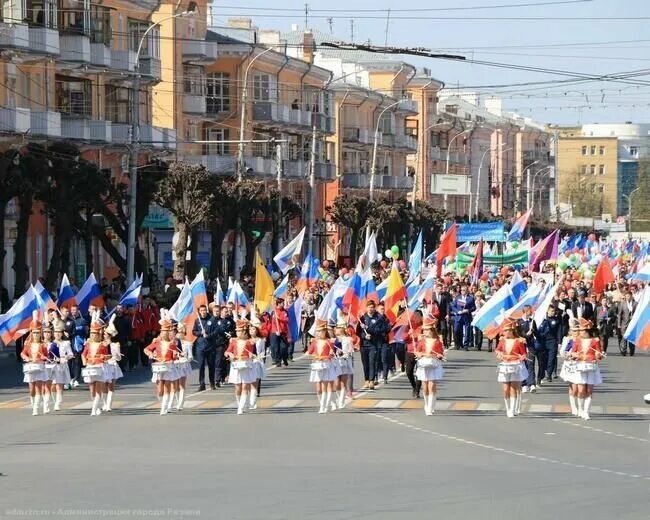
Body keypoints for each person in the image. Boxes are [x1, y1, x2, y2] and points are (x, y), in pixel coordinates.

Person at [144, 310, 180, 415]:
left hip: (168, 367)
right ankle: (162, 402)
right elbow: (146, 349)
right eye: (162, 331)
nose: (164, 333)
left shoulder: (172, 344)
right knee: (160, 389)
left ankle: (164, 407)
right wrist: (150, 354)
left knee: (167, 387)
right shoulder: (157, 342)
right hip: (159, 367)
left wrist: (176, 356)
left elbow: (174, 356)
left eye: (166, 331)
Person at [569, 318, 604, 420]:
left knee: (589, 390)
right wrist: (574, 354)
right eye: (579, 331)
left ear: (587, 331)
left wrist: (598, 355)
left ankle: (586, 411)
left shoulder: (595, 341)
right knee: (580, 390)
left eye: (582, 331)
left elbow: (599, 354)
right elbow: (572, 353)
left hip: (591, 367)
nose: (580, 332)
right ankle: (580, 408)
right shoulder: (577, 341)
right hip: (580, 366)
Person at [495, 318, 528, 418]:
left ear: (511, 330)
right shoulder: (502, 340)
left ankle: (512, 409)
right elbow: (498, 350)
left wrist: (522, 357)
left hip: (515, 365)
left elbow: (523, 353)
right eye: (504, 331)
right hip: (505, 366)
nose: (504, 332)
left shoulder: (519, 341)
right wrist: (499, 354)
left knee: (514, 387)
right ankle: (507, 407)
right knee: (505, 389)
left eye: (506, 330)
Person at [225, 319, 257, 415]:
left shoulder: (250, 342)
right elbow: (226, 351)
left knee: (245, 386)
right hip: (236, 365)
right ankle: (239, 404)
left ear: (244, 331)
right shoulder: (233, 342)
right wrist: (229, 354)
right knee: (237, 387)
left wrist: (251, 355)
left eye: (239, 331)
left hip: (246, 365)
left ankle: (241, 407)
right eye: (236, 331)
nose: (237, 333)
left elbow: (252, 353)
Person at [414, 316, 445, 416]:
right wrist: (420, 354)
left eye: (427, 330)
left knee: (432, 386)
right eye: (424, 330)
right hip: (424, 365)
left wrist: (434, 355)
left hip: (433, 365)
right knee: (424, 386)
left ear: (431, 330)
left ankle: (430, 407)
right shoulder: (421, 341)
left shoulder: (437, 342)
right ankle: (426, 404)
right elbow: (417, 352)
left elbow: (440, 354)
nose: (425, 332)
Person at [81, 311, 109, 417]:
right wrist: (84, 361)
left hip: (99, 367)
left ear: (98, 334)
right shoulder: (88, 344)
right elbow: (83, 354)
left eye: (94, 334)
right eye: (91, 334)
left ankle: (94, 409)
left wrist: (103, 357)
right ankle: (96, 405)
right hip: (90, 367)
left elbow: (107, 356)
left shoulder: (103, 345)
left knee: (98, 388)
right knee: (91, 388)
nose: (92, 336)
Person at [358, 300, 390, 390]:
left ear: (374, 308)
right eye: (369, 307)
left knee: (372, 362)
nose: (371, 309)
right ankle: (366, 380)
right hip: (364, 345)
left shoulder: (379, 318)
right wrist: (364, 335)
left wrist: (370, 331)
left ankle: (372, 380)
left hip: (374, 344)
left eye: (372, 307)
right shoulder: (362, 318)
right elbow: (358, 332)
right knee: (365, 364)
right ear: (366, 308)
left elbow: (382, 330)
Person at [21, 312, 49, 416]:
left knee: (38, 388)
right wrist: (26, 357)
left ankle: (36, 408)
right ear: (31, 333)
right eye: (34, 332)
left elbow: (46, 356)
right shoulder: (28, 344)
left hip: (40, 368)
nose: (36, 334)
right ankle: (33, 403)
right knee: (31, 389)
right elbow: (23, 353)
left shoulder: (43, 345)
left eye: (38, 332)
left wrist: (43, 357)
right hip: (30, 368)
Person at [307, 322, 337, 414]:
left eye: (321, 331)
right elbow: (309, 352)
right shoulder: (314, 342)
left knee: (324, 387)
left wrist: (325, 357)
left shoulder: (329, 342)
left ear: (324, 332)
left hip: (326, 365)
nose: (319, 333)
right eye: (318, 331)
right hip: (317, 365)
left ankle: (323, 406)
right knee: (318, 389)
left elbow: (331, 355)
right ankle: (322, 403)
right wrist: (313, 356)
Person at [192, 304, 219, 391]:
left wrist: (208, 336)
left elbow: (216, 331)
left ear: (206, 310)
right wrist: (200, 332)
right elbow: (194, 332)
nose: (203, 312)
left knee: (211, 366)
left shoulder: (212, 319)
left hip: (210, 346)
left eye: (204, 310)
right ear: (199, 312)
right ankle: (202, 384)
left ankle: (212, 383)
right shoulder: (197, 321)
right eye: (201, 311)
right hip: (200, 347)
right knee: (201, 366)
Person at [50, 318, 73, 411]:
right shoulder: (50, 344)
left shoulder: (66, 343)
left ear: (62, 333)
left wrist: (65, 358)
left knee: (59, 385)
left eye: (59, 332)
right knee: (52, 386)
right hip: (51, 366)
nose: (57, 334)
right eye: (56, 332)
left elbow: (71, 354)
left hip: (62, 366)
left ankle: (58, 403)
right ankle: (55, 400)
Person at [534, 305, 561, 384]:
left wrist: (559, 341)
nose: (553, 313)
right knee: (544, 359)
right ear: (547, 311)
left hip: (552, 341)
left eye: (554, 311)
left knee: (552, 358)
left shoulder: (556, 320)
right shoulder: (543, 319)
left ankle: (549, 373)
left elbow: (559, 331)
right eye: (551, 311)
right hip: (543, 341)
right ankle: (543, 373)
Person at [102, 315, 124, 412]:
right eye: (103, 334)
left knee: (111, 386)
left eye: (105, 334)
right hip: (103, 366)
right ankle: (104, 403)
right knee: (103, 386)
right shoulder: (101, 344)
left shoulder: (115, 345)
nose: (104, 335)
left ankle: (109, 405)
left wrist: (116, 354)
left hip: (112, 366)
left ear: (109, 335)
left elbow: (118, 358)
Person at [559, 319, 580, 416]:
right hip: (570, 365)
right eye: (574, 330)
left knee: (580, 387)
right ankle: (573, 407)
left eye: (577, 330)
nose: (575, 332)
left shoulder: (582, 340)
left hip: (580, 365)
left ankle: (580, 406)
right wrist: (568, 354)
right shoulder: (567, 339)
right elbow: (562, 352)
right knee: (573, 387)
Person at [333, 314, 354, 409]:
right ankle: (338, 397)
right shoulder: (333, 341)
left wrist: (345, 353)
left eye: (339, 328)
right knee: (336, 384)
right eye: (336, 328)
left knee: (343, 382)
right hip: (336, 363)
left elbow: (350, 351)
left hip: (345, 362)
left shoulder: (348, 339)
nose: (337, 330)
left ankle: (341, 400)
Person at [517, 305, 537, 393]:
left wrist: (533, 331)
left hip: (531, 345)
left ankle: (532, 383)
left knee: (531, 364)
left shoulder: (532, 321)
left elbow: (536, 333)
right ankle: (524, 384)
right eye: (530, 310)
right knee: (523, 365)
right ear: (526, 311)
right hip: (522, 346)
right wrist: (525, 335)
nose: (531, 312)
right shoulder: (519, 322)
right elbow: (518, 334)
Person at [214, 305, 236, 386]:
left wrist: (231, 334)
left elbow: (234, 329)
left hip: (228, 343)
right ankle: (218, 379)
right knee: (219, 361)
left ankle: (225, 376)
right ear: (221, 312)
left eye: (227, 311)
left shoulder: (230, 320)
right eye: (225, 311)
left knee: (227, 361)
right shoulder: (217, 320)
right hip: (219, 344)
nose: (227, 313)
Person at [248, 313, 266, 409]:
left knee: (256, 381)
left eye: (253, 329)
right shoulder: (247, 340)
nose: (252, 331)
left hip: (257, 362)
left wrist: (261, 355)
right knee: (249, 381)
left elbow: (262, 350)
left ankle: (253, 401)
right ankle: (250, 400)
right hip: (249, 362)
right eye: (250, 329)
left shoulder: (260, 340)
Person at [404, 310, 423, 398]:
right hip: (410, 351)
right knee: (408, 372)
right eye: (415, 316)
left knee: (419, 373)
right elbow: (404, 339)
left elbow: (428, 337)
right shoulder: (409, 326)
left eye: (418, 316)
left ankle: (417, 391)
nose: (416, 318)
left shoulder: (423, 327)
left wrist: (420, 336)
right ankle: (414, 386)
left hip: (421, 353)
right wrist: (408, 334)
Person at [450, 284, 476, 351]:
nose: (462, 291)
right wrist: (458, 311)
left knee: (467, 331)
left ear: (467, 291)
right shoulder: (457, 297)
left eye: (464, 290)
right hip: (459, 316)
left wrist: (468, 310)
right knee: (457, 330)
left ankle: (465, 345)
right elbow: (453, 306)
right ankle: (459, 344)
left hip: (466, 316)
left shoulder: (471, 298)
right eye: (461, 290)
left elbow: (474, 307)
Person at [175, 323, 194, 411]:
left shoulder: (188, 344)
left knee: (182, 384)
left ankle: (180, 403)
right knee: (175, 385)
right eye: (178, 334)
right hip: (175, 365)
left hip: (183, 365)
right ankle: (176, 400)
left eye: (181, 334)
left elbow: (190, 356)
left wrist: (187, 358)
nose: (179, 336)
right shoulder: (174, 345)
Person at [269, 297, 290, 367]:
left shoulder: (284, 312)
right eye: (282, 303)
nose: (283, 304)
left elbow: (286, 320)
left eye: (283, 303)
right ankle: (277, 360)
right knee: (275, 347)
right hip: (275, 332)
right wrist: (274, 330)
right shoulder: (274, 312)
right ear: (278, 304)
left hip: (283, 332)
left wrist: (279, 318)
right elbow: (271, 322)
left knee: (283, 347)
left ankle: (284, 358)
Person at [616, 291, 637, 356]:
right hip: (624, 323)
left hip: (632, 324)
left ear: (631, 296)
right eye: (626, 296)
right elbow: (619, 314)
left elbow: (638, 313)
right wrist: (619, 324)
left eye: (629, 296)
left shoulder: (635, 304)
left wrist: (634, 316)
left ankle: (632, 351)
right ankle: (624, 351)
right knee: (624, 337)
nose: (628, 297)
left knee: (631, 338)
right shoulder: (622, 304)